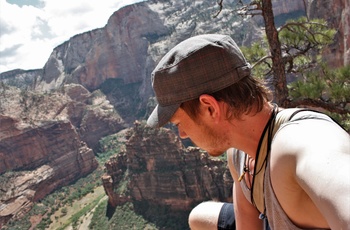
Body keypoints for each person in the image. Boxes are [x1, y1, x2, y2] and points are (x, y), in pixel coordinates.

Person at [146, 34, 350, 230]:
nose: (181, 134)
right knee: (200, 217)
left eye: (178, 122)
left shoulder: (303, 141)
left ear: (210, 108)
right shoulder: (239, 154)